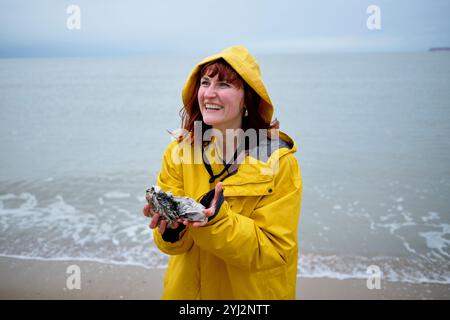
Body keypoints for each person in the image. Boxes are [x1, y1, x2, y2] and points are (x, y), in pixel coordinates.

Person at [143, 45, 302, 299]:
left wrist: (216, 222)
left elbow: (275, 251)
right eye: (205, 83)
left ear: (247, 99)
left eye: (224, 85)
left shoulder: (278, 162)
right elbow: (174, 247)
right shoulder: (180, 152)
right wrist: (170, 229)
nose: (209, 94)